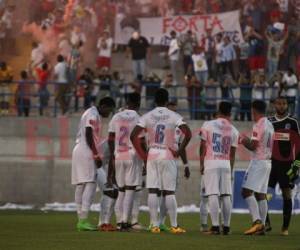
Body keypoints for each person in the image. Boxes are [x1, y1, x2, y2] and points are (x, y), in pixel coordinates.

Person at [130, 88, 192, 234]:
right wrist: (178, 150)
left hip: (152, 153)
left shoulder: (147, 116)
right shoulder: (174, 115)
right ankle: (174, 226)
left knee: (153, 190)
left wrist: (143, 155)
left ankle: (154, 225)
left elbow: (133, 136)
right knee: (169, 192)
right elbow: (188, 133)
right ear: (166, 100)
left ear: (154, 100)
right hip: (167, 153)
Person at [71, 97, 115, 231]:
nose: (109, 113)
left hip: (80, 149)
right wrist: (96, 154)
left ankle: (81, 220)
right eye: (109, 110)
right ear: (103, 105)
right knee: (90, 184)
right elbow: (89, 133)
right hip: (86, 150)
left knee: (81, 185)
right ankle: (83, 220)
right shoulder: (93, 114)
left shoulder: (90, 112)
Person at [199, 101, 239, 235]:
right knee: (226, 194)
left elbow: (202, 146)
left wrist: (201, 164)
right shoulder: (234, 130)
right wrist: (231, 169)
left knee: (213, 194)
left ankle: (215, 227)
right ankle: (226, 227)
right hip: (226, 163)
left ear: (218, 110)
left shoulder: (208, 125)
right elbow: (232, 154)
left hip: (211, 162)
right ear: (230, 112)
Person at [108, 93, 145, 231]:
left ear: (127, 102)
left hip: (118, 155)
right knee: (130, 190)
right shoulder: (138, 118)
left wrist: (113, 155)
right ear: (138, 103)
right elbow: (141, 141)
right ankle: (124, 222)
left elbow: (111, 138)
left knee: (121, 190)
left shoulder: (116, 116)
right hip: (131, 155)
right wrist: (145, 159)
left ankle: (119, 222)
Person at [240, 100, 274, 235]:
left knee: (246, 192)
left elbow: (253, 146)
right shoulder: (270, 124)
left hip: (258, 162)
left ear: (253, 110)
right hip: (267, 162)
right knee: (261, 195)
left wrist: (243, 140)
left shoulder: (258, 125)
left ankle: (257, 222)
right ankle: (263, 227)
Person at [267, 96, 300, 236]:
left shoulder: (293, 122)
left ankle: (285, 228)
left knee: (287, 194)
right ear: (274, 104)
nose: (281, 106)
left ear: (287, 105)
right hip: (269, 163)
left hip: (286, 164)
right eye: (279, 103)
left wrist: (296, 166)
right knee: (262, 194)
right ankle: (266, 224)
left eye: (284, 103)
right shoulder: (268, 122)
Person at [159, 100, 191, 232]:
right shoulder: (177, 124)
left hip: (156, 158)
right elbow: (179, 147)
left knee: (161, 192)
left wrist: (186, 164)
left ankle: (158, 223)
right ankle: (174, 225)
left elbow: (180, 147)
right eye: (171, 109)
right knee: (169, 191)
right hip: (168, 159)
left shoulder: (157, 122)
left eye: (175, 110)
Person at [96, 139, 118, 232]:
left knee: (115, 193)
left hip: (108, 168)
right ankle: (102, 222)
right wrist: (110, 177)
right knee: (109, 192)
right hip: (100, 167)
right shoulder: (111, 141)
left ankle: (106, 222)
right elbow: (107, 160)